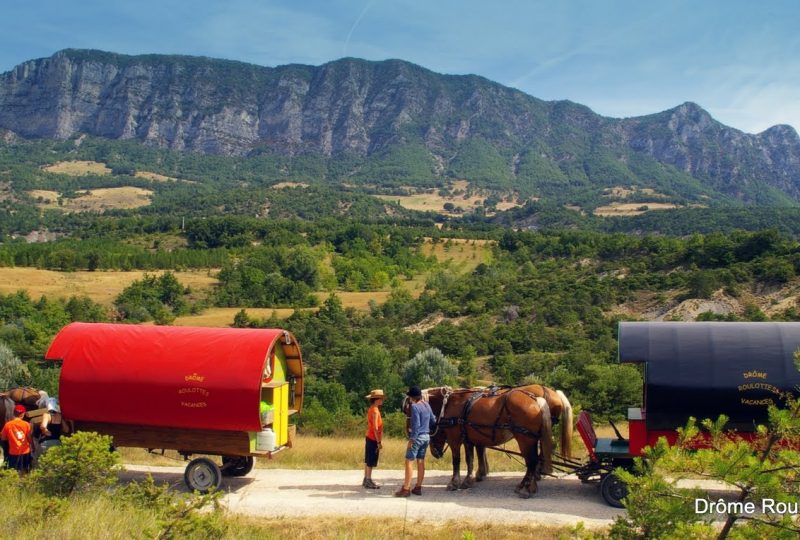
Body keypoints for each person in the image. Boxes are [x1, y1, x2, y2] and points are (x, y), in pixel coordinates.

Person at [395, 385, 434, 497]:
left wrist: (412, 439)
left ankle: (406, 489)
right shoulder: (427, 405)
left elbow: (416, 425)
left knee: (409, 461)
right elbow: (433, 419)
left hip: (417, 437)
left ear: (412, 397)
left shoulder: (415, 407)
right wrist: (425, 427)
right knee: (420, 461)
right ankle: (418, 487)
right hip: (426, 437)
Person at [363, 389, 384, 489]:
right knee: (371, 460)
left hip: (369, 436)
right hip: (373, 438)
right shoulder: (375, 411)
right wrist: (378, 441)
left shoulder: (372, 408)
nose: (382, 400)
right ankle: (368, 480)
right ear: (376, 399)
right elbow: (375, 427)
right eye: (381, 398)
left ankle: (366, 478)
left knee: (368, 459)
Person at [1, 404, 33, 472]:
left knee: (14, 471)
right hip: (25, 451)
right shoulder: (26, 424)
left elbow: (3, 438)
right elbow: (29, 437)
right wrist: (32, 446)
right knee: (25, 470)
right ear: (23, 414)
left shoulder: (7, 425)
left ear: (13, 413)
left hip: (13, 452)